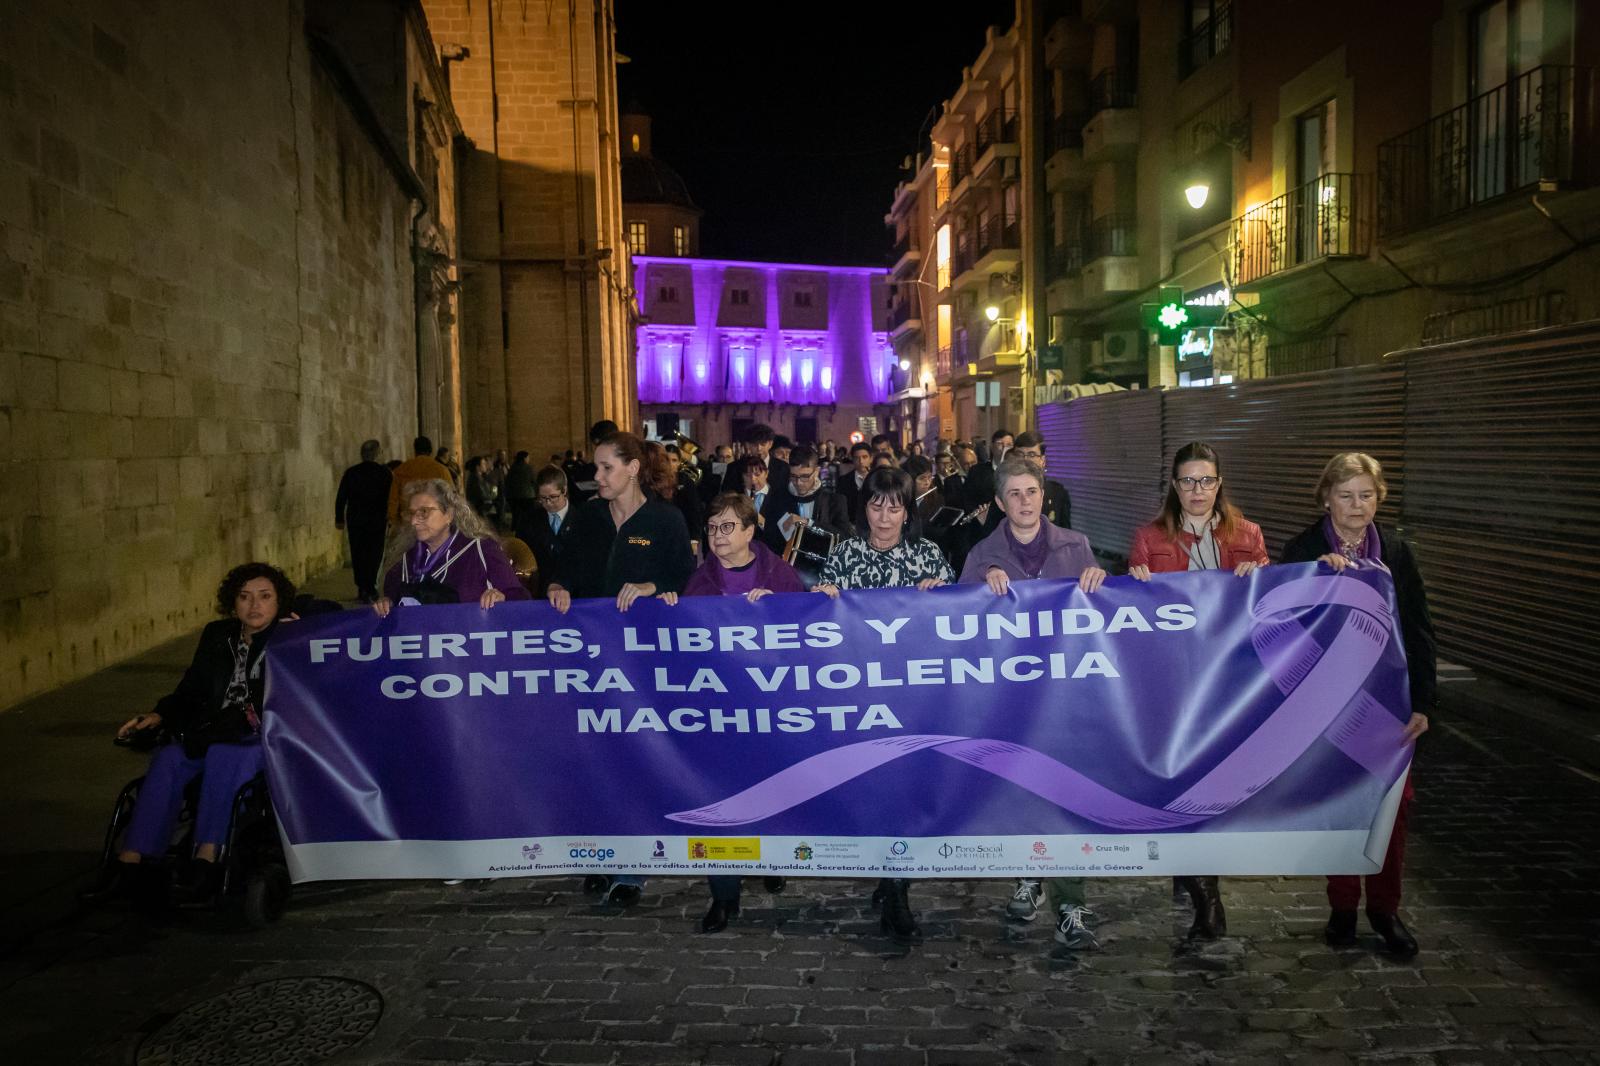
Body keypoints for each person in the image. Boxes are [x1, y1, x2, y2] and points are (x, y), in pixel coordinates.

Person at [1280, 452, 1433, 958]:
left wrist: (1424, 702)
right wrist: (1312, 580)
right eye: (1345, 495)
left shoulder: (1397, 551)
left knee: (1395, 805)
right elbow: (1281, 628)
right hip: (1329, 703)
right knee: (1342, 803)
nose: (1356, 505)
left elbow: (1419, 631)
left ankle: (1385, 910)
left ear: (1379, 498)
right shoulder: (1302, 549)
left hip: (1388, 703)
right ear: (1326, 497)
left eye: (1366, 495)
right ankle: (1343, 906)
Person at [959, 458, 1107, 950]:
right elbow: (955, 628)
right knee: (1018, 792)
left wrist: (1099, 584)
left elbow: (1100, 618)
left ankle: (1070, 903)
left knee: (1065, 797)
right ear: (1000, 503)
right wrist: (979, 591)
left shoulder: (1076, 545)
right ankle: (1027, 875)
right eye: (1014, 494)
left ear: (1044, 496)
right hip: (1009, 700)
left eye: (1032, 491)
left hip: (1064, 699)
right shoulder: (981, 554)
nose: (1025, 501)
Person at [546, 432, 695, 906]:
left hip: (646, 663)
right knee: (597, 757)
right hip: (592, 658)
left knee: (637, 755)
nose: (597, 477)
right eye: (596, 468)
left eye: (606, 467)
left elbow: (686, 580)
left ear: (632, 469)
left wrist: (656, 585)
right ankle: (602, 853)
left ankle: (634, 862)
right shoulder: (588, 520)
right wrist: (556, 587)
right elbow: (562, 569)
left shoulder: (666, 519)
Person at [1127, 441, 1268, 940]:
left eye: (1206, 480)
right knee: (1180, 782)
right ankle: (1205, 889)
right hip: (1172, 683)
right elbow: (1133, 621)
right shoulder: (1148, 539)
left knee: (1214, 785)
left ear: (1220, 482)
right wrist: (1134, 584)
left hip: (1229, 682)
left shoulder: (1248, 536)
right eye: (1187, 481)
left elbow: (1270, 613)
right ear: (1173, 486)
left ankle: (1195, 874)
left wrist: (1260, 579)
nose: (1197, 490)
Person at [97, 563, 300, 908]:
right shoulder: (216, 636)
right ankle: (132, 862)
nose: (254, 606)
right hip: (211, 731)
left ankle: (207, 858)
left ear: (279, 602)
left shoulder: (288, 637)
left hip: (260, 735)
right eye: (245, 597)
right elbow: (190, 690)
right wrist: (158, 714)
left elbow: (330, 614)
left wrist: (302, 619)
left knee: (225, 755)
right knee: (169, 758)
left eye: (265, 597)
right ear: (231, 602)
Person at [814, 466, 956, 942]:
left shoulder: (929, 555)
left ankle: (896, 885)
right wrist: (824, 598)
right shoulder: (845, 556)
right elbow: (821, 624)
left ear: (907, 510)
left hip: (917, 698)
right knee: (874, 787)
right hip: (862, 695)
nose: (885, 515)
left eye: (895, 505)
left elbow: (962, 621)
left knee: (908, 786)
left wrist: (943, 596)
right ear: (864, 507)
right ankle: (891, 877)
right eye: (876, 504)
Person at [653, 493, 806, 932]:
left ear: (748, 531)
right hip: (718, 710)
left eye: (726, 527)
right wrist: (667, 612)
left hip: (770, 707)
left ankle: (773, 860)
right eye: (712, 528)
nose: (717, 536)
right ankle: (723, 894)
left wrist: (776, 611)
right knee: (719, 797)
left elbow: (803, 639)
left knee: (772, 790)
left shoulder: (780, 575)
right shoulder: (698, 583)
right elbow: (681, 649)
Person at [375, 478, 530, 613]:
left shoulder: (481, 549)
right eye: (412, 513)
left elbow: (520, 596)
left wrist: (502, 597)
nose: (414, 521)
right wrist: (386, 604)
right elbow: (391, 600)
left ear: (449, 514)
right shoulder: (406, 560)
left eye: (424, 512)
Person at [335, 439, 392, 602]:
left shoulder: (352, 472)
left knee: (358, 553)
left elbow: (341, 497)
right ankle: (370, 587)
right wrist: (392, 517)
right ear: (377, 453)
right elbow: (391, 497)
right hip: (377, 520)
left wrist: (339, 518)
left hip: (356, 520)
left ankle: (362, 587)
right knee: (375, 553)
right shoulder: (385, 473)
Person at [519, 466, 576, 594]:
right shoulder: (529, 520)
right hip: (540, 592)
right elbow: (522, 555)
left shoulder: (582, 519)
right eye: (542, 498)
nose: (548, 503)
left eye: (553, 497)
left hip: (574, 595)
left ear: (564, 490)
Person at [777, 445, 852, 542]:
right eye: (793, 476)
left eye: (805, 476)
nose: (798, 482)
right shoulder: (778, 498)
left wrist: (809, 523)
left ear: (816, 471)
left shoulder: (835, 500)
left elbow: (845, 537)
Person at [387, 436, 453, 526]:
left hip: (409, 522)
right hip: (434, 522)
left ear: (415, 450)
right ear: (431, 451)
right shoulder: (442, 470)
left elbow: (393, 501)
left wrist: (393, 521)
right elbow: (450, 498)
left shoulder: (401, 469)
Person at [735, 455, 790, 553]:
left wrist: (761, 521)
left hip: (771, 552)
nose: (753, 479)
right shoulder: (735, 498)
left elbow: (784, 534)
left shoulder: (780, 498)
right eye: (748, 475)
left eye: (757, 474)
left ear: (766, 473)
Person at [836, 442, 875, 522]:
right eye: (857, 458)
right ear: (852, 459)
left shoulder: (877, 479)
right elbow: (840, 508)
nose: (861, 461)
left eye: (864, 457)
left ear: (871, 458)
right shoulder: (843, 481)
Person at [743, 423, 789, 489]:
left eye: (763, 444)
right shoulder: (734, 468)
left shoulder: (784, 468)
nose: (759, 448)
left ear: (770, 444)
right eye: (755, 445)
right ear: (747, 445)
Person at [504, 451, 538, 537]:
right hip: (528, 496)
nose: (529, 459)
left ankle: (515, 533)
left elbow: (508, 482)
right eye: (528, 458)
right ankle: (528, 533)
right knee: (529, 516)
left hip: (514, 497)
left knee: (516, 516)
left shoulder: (512, 468)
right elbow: (534, 481)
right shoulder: (528, 468)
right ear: (524, 458)